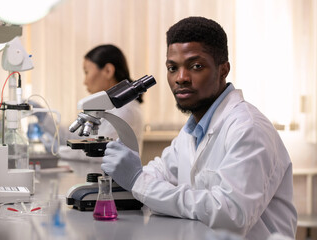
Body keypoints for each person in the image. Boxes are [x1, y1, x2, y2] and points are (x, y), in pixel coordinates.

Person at [101, 17, 297, 239]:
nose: (181, 78)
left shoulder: (248, 128)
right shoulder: (193, 130)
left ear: (223, 69)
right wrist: (130, 175)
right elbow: (163, 171)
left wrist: (138, 180)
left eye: (196, 66)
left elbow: (231, 215)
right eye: (172, 68)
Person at [36, 44, 144, 159]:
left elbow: (99, 151)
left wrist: (59, 150)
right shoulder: (107, 107)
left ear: (108, 71)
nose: (85, 81)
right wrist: (45, 119)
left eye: (87, 72)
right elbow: (79, 138)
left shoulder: (126, 110)